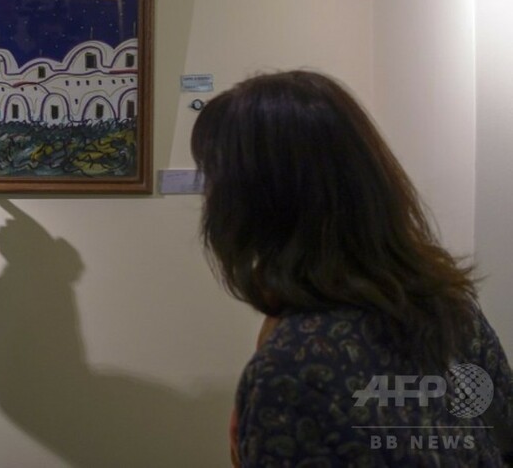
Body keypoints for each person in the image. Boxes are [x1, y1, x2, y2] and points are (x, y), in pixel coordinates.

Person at [190, 70, 513, 465]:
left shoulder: (293, 365)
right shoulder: (451, 310)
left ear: (256, 204)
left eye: (214, 181)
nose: (209, 199)